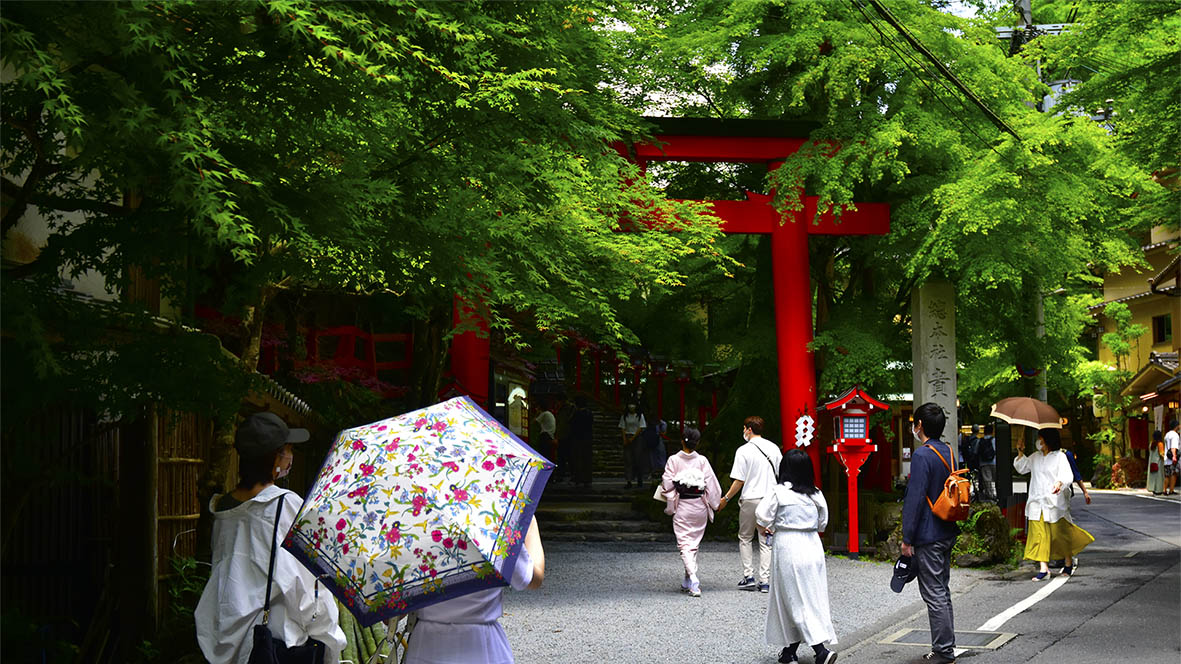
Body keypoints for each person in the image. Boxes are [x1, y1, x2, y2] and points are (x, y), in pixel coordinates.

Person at [196, 412, 346, 664]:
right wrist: (330, 640)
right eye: (287, 450)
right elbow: (307, 586)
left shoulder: (223, 508)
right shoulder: (284, 505)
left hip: (224, 636)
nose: (290, 457)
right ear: (273, 458)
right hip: (274, 642)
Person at [404, 516, 545, 664]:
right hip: (483, 644)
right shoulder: (493, 520)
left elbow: (392, 614)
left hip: (427, 645)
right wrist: (531, 528)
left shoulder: (416, 525)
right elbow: (532, 579)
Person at [757, 449, 838, 664]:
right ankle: (788, 652)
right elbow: (823, 522)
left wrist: (772, 526)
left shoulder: (779, 492)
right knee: (807, 597)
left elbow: (762, 515)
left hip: (788, 546)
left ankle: (821, 651)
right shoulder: (816, 494)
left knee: (795, 599)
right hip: (812, 545)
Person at [900, 402, 959, 664]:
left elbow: (914, 500)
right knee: (941, 590)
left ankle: (944, 650)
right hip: (946, 527)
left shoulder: (923, 455)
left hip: (928, 532)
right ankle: (946, 646)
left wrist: (906, 538)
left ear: (920, 425)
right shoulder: (948, 451)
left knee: (934, 593)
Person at [1014, 428, 1094, 581]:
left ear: (1047, 440)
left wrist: (1059, 483)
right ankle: (1044, 569)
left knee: (1059, 534)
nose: (1039, 442)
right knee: (1039, 535)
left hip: (1054, 502)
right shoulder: (1035, 457)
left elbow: (1067, 475)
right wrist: (1019, 451)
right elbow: (1022, 467)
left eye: (1041, 438)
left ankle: (1068, 561)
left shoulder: (1060, 457)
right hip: (1037, 502)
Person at [719, 415, 783, 593]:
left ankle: (748, 576)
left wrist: (726, 498)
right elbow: (780, 475)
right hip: (770, 499)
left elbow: (739, 480)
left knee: (745, 537)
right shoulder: (774, 449)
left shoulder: (743, 451)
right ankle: (765, 580)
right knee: (765, 539)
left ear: (748, 429)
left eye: (744, 428)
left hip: (750, 499)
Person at [658, 427, 721, 598]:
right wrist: (715, 503)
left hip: (683, 505)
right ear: (697, 443)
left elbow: (667, 484)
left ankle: (693, 579)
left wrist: (671, 498)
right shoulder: (702, 460)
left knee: (685, 544)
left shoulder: (673, 460)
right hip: (699, 505)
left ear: (681, 440)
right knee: (693, 543)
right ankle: (687, 578)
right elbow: (712, 484)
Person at [567, 395, 595, 488]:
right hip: (587, 438)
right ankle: (587, 479)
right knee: (587, 459)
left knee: (577, 459)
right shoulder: (589, 413)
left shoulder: (576, 414)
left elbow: (571, 424)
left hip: (577, 438)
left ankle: (578, 478)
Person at [619, 402, 647, 488]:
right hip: (627, 436)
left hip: (637, 438)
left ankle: (639, 478)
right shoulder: (624, 416)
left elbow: (641, 427)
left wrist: (633, 437)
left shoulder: (640, 416)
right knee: (628, 460)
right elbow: (623, 427)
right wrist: (625, 439)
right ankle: (629, 480)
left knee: (638, 459)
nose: (631, 406)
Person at [643, 413, 669, 481]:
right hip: (656, 441)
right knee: (659, 457)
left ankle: (655, 472)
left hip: (651, 441)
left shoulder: (649, 423)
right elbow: (664, 432)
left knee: (653, 458)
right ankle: (659, 472)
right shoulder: (661, 423)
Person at [977, 424, 997, 502]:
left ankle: (990, 496)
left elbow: (976, 452)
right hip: (994, 462)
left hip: (983, 463)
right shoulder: (994, 440)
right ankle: (996, 495)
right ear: (992, 431)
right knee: (995, 479)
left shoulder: (980, 440)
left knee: (987, 480)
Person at [534, 398, 557, 462]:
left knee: (543, 454)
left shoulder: (544, 414)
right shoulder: (549, 413)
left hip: (545, 436)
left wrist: (537, 413)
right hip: (550, 436)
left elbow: (534, 422)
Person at [1164, 419, 1180, 496]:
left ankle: (1164, 490)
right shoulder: (1175, 435)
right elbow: (1173, 446)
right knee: (1173, 474)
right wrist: (1174, 456)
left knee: (1167, 475)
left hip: (1166, 458)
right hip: (1171, 458)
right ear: (1176, 426)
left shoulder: (1167, 434)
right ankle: (1171, 490)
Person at [1148, 429, 1166, 495]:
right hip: (1158, 462)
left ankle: (1153, 489)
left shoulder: (1151, 443)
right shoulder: (1160, 444)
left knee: (1153, 476)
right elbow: (1161, 454)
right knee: (1159, 476)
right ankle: (1158, 490)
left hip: (1152, 462)